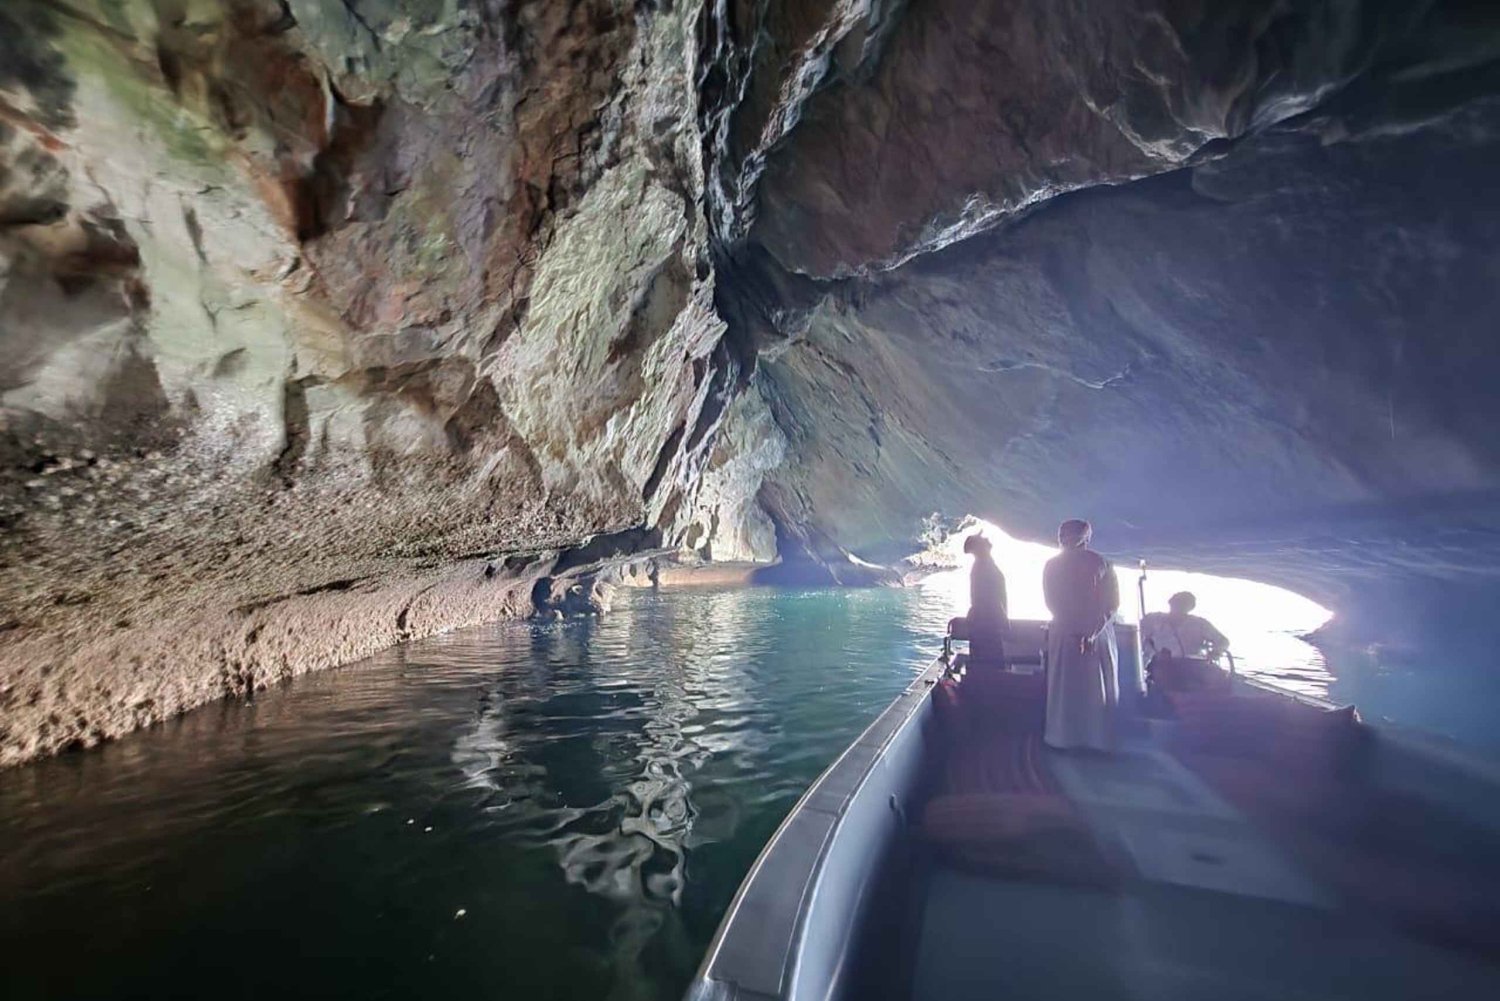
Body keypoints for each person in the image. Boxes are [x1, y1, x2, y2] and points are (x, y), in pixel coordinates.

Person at [1042, 519, 1120, 751]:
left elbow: (1052, 603)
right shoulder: (1103, 563)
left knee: (1065, 688)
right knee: (1098, 686)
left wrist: (1074, 630)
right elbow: (1111, 605)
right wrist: (1091, 633)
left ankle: (1062, 739)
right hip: (1098, 633)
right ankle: (1099, 741)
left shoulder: (1051, 565)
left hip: (1064, 633)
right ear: (1086, 538)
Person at [1141, 592, 1230, 693]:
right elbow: (1137, 635)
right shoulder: (1153, 619)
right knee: (1163, 678)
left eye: (1184, 604)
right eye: (1177, 603)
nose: (1179, 607)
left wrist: (1216, 652)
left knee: (1219, 678)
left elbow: (1223, 641)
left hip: (1192, 666)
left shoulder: (1199, 623)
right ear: (1170, 602)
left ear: (1190, 607)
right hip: (1161, 665)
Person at [962, 533, 1008, 668]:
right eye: (982, 539)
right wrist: (1002, 618)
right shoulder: (984, 566)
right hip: (986, 622)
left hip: (984, 621)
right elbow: (989, 598)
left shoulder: (984, 565)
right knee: (991, 665)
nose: (987, 538)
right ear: (979, 547)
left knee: (986, 664)